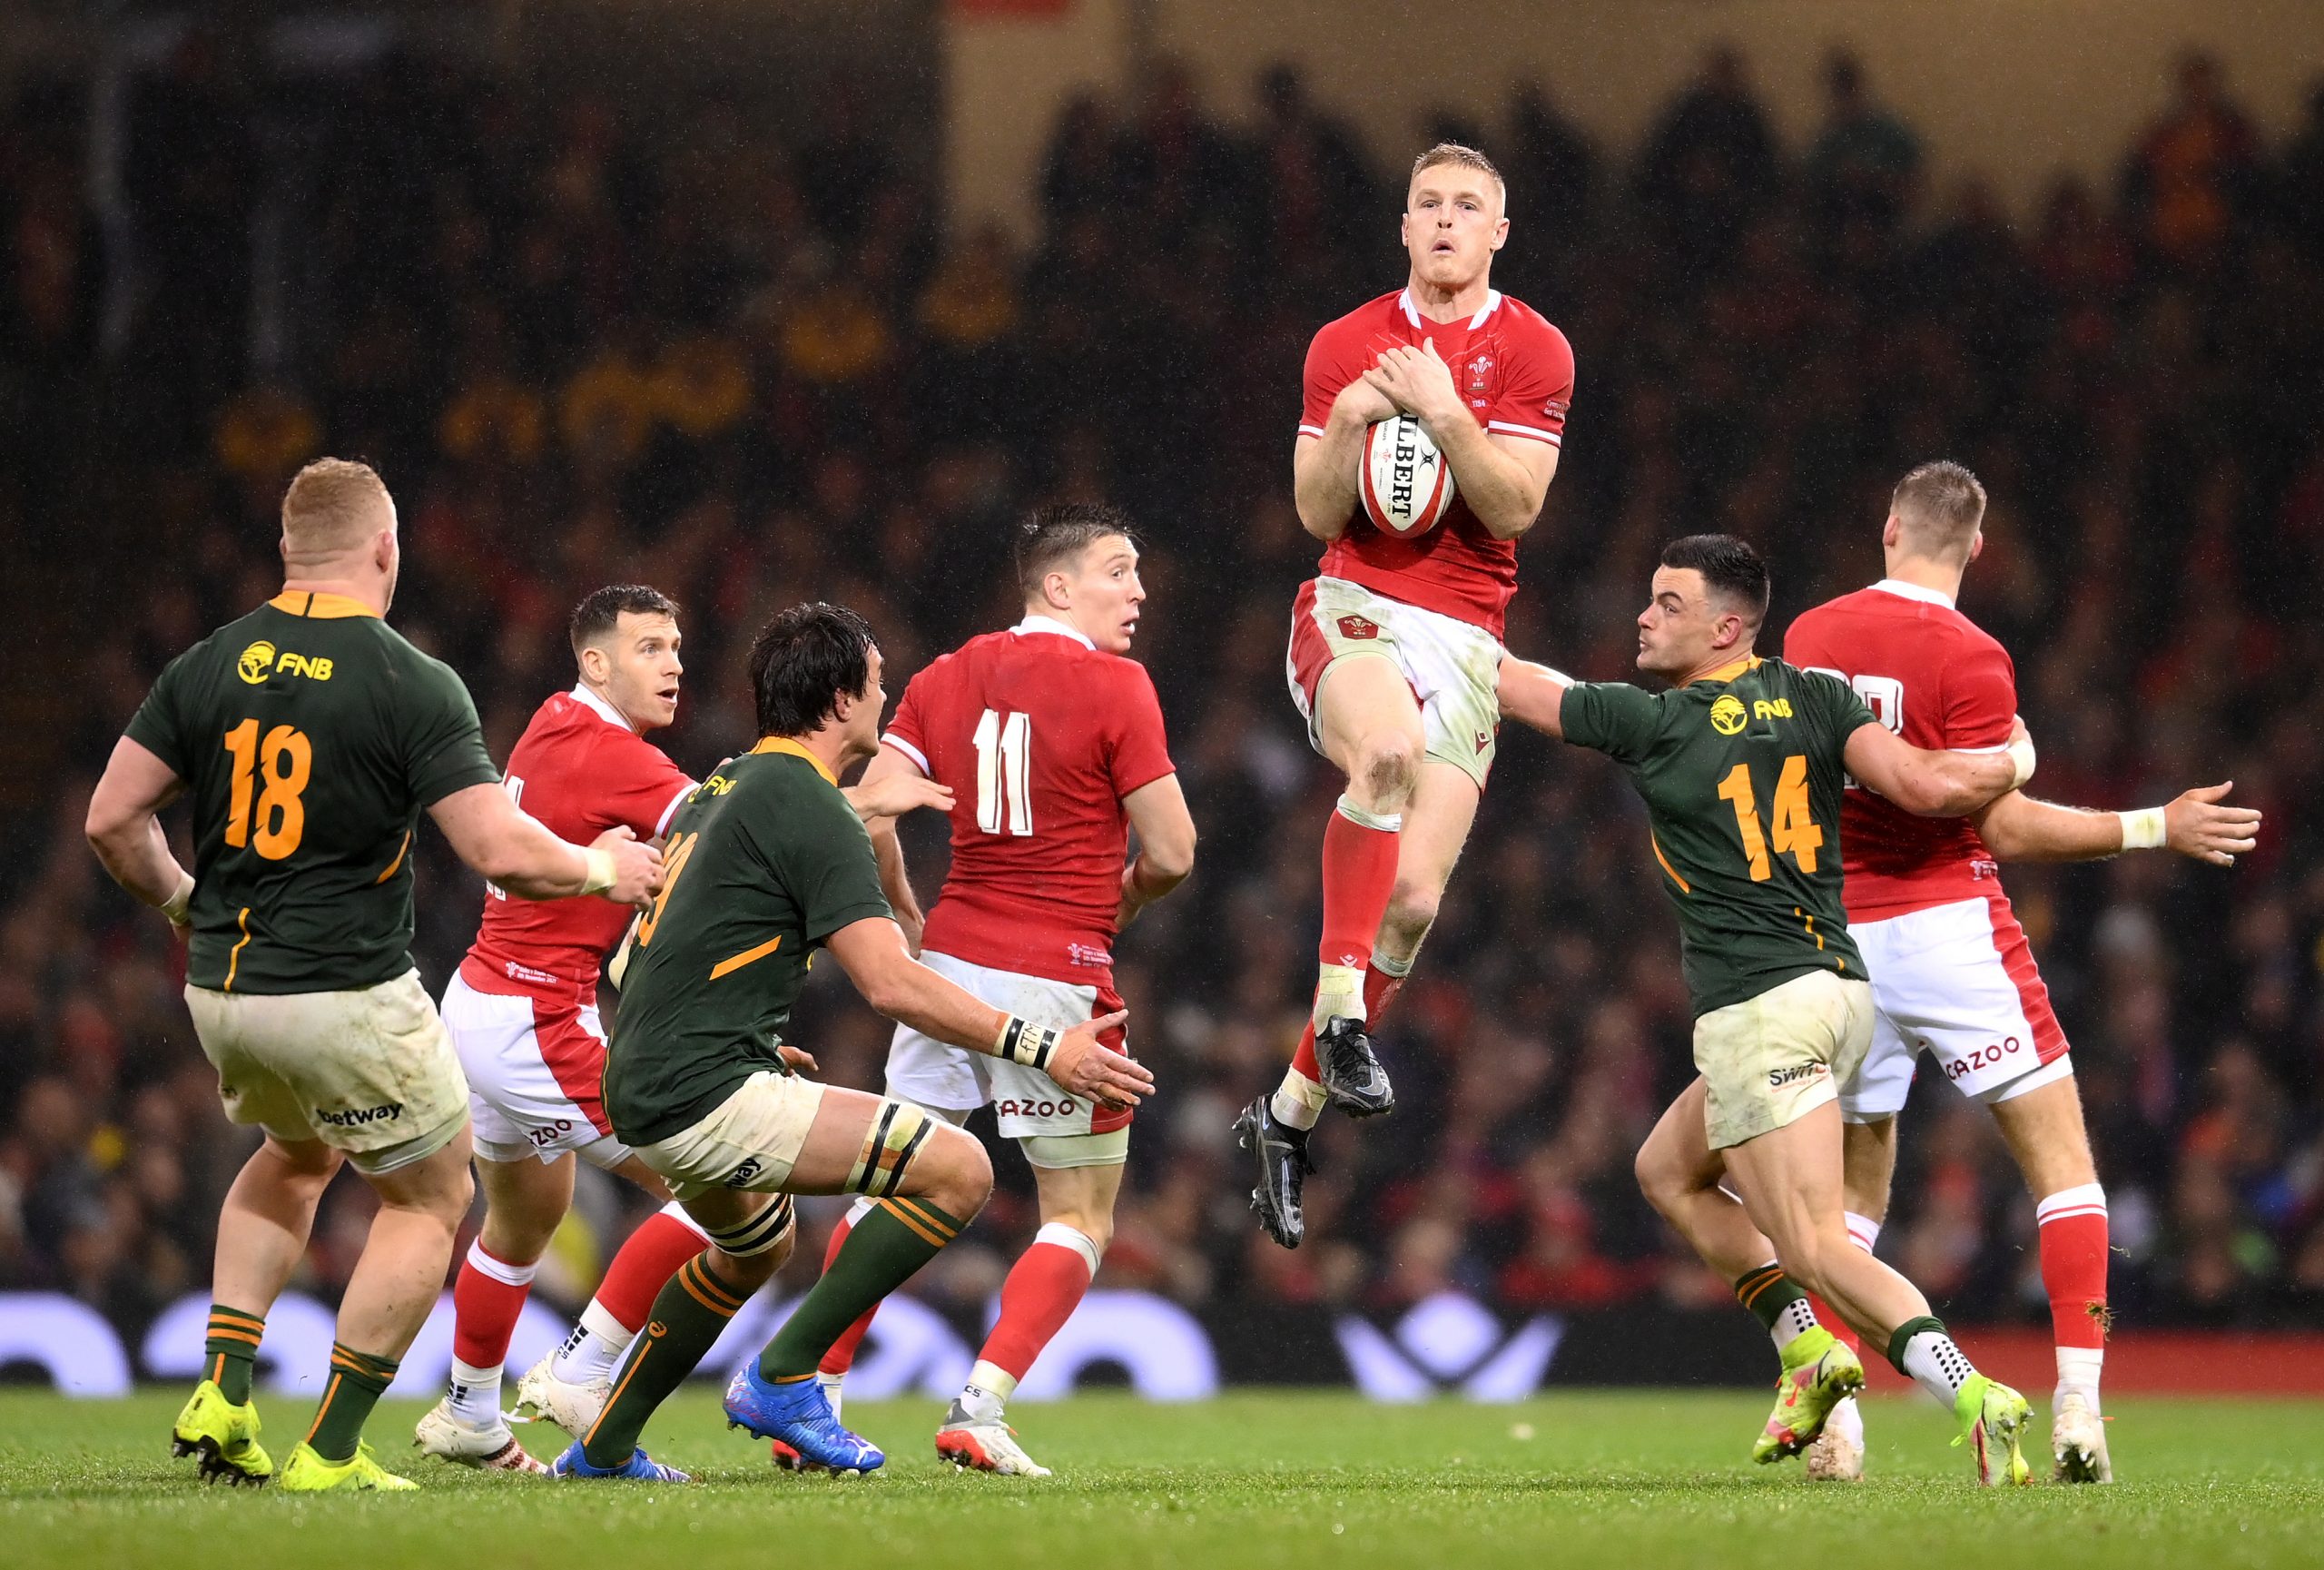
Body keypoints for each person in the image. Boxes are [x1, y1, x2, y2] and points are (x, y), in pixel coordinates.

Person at [84, 458, 663, 1493]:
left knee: (295, 1156)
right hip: (344, 991)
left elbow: (111, 818)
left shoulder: (209, 661)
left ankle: (223, 1389)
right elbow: (494, 847)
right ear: (386, 550)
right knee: (431, 1198)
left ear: (287, 551)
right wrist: (599, 866)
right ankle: (334, 1451)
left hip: (223, 992)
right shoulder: (408, 676)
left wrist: (183, 905)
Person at [557, 602, 1153, 1482]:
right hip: (702, 1088)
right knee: (960, 1170)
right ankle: (785, 1374)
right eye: (876, 683)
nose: (886, 697)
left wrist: (744, 1035)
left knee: (754, 1244)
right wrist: (1044, 1048)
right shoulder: (814, 807)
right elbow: (890, 984)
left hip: (644, 1076)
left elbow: (632, 963)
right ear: (840, 699)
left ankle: (602, 1447)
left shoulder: (723, 784)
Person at [1497, 534, 2041, 1485]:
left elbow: (1515, 684)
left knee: (1816, 1244)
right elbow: (1923, 785)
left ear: (1724, 626)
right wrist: (2010, 755)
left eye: (1666, 603)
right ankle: (1809, 1350)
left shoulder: (1657, 722)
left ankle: (1971, 1393)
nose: (1642, 614)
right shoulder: (1820, 694)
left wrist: (1400, 618)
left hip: (1761, 1009)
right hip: (1836, 989)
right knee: (1667, 1169)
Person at [1780, 462, 2261, 1483]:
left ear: (1887, 529)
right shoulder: (1975, 657)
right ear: (1977, 548)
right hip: (1949, 927)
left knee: (1846, 1201)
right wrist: (2150, 824)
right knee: (2062, 1170)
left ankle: (1839, 1423)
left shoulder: (1811, 636)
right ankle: (2078, 1409)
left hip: (1837, 938)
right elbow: (1998, 823)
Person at [417, 585, 954, 1471]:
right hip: (541, 1019)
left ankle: (471, 1409)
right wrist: (866, 807)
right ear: (594, 661)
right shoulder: (612, 756)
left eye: (675, 645)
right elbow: (741, 832)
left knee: (521, 1221)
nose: (672, 664)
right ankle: (581, 1372)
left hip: (485, 998)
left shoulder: (553, 722)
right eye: (647, 648)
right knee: (736, 1192)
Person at [786, 504, 1195, 1476]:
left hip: (946, 966)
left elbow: (866, 808)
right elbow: (1174, 851)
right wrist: (1118, 905)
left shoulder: (944, 674)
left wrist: (904, 911)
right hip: (1057, 972)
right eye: (1117, 571)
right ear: (1056, 586)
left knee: (891, 1184)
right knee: (1080, 1212)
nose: (1137, 591)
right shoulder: (1117, 684)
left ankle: (815, 1393)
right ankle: (980, 1402)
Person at [1241, 141, 1575, 1249]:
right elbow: (1312, 505)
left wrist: (1442, 411)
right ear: (1402, 226)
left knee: (1417, 903)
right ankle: (1340, 1017)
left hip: (1470, 639)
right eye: (1426, 203)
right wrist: (1346, 423)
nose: (1443, 220)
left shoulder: (1534, 348)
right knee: (1380, 756)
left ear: (1497, 233)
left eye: (1466, 205)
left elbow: (1513, 505)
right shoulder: (1344, 342)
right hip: (1357, 607)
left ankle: (1285, 1117)